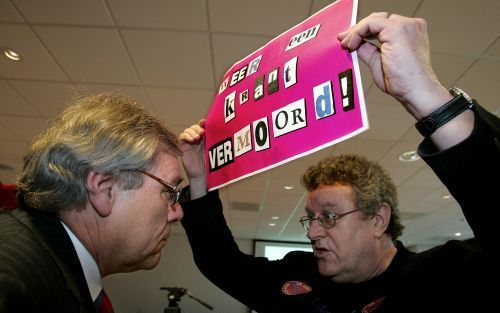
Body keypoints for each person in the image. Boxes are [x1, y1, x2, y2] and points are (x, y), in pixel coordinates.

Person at [178, 12, 499, 313]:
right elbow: (221, 263)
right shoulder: (299, 276)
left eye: (329, 216)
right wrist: (199, 180)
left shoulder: (440, 278)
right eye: (312, 218)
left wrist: (427, 97)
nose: (313, 233)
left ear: (378, 219)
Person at [0, 91, 185, 312]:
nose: (177, 213)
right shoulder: (14, 282)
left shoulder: (52, 268)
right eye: (168, 191)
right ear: (104, 188)